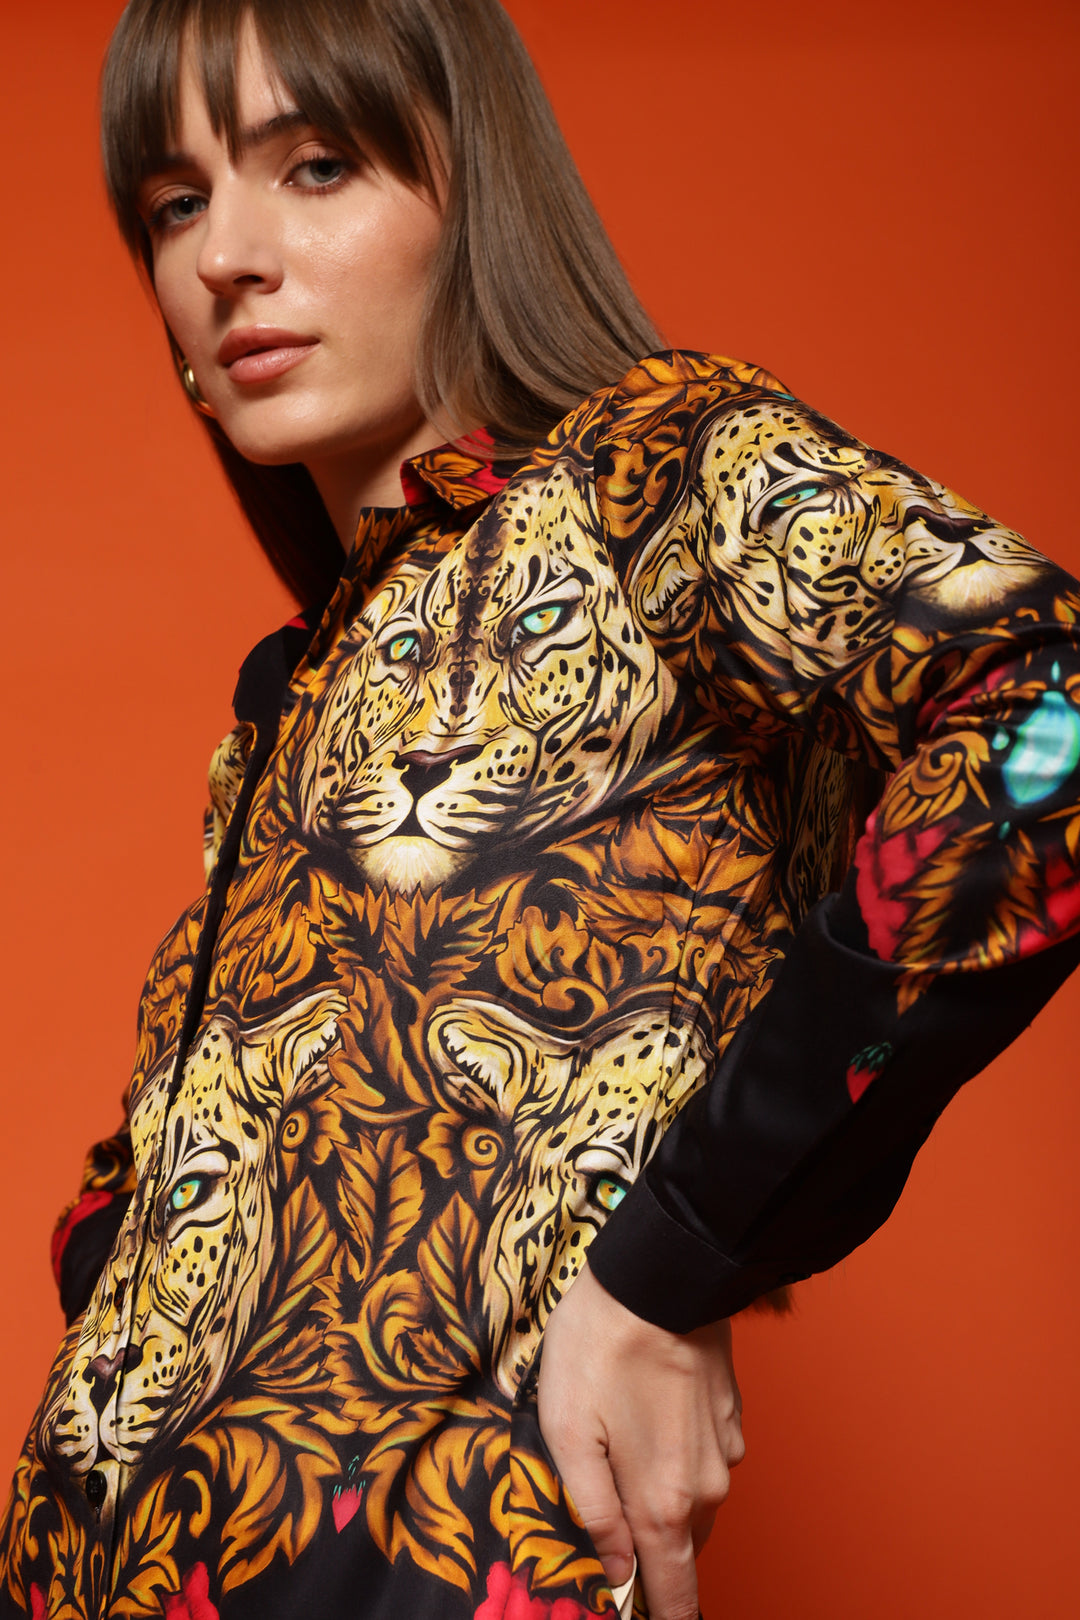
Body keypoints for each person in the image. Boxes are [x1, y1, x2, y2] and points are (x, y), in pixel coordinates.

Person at [2, 2, 1078, 1618]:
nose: (225, 256)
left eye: (316, 164)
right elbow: (188, 1151)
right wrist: (120, 1274)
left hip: (433, 1575)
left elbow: (1051, 712)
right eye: (174, 202)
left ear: (473, 192)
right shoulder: (297, 685)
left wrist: (679, 1249)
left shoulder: (652, 476)